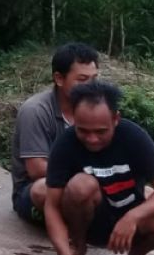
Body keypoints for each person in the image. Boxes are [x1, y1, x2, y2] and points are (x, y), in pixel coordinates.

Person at [44, 80, 154, 255]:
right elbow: (52, 206)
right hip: (89, 220)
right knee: (80, 185)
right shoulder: (65, 144)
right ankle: (77, 248)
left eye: (101, 131)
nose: (92, 139)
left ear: (116, 119)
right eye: (83, 131)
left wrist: (132, 217)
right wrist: (63, 252)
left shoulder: (134, 137)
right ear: (74, 120)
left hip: (129, 220)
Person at [10, 43, 100, 225]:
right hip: (36, 192)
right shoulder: (36, 110)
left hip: (91, 184)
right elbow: (36, 170)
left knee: (145, 194)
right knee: (44, 189)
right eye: (82, 79)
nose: (91, 87)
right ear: (59, 78)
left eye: (94, 79)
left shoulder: (97, 109)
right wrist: (92, 178)